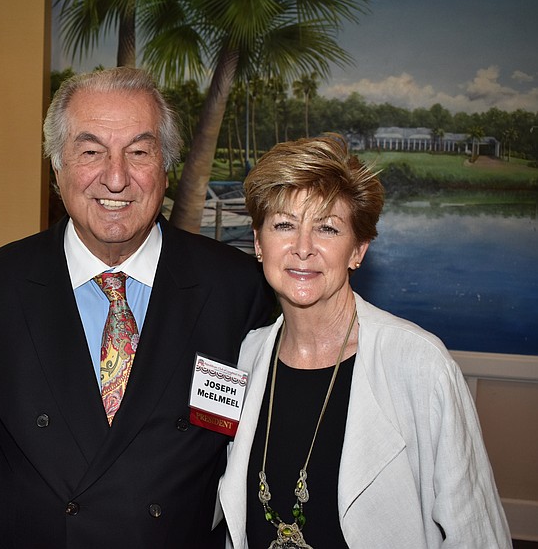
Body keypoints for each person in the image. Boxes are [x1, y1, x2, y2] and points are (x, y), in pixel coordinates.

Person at [0, 67, 275, 548]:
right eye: (90, 152)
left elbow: (251, 451)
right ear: (56, 168)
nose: (117, 177)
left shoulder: (235, 288)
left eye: (139, 152)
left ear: (165, 167)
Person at [218, 134, 511, 548]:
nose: (303, 248)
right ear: (259, 243)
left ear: (358, 249)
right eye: (284, 225)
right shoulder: (246, 355)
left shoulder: (419, 365)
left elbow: (476, 534)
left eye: (327, 228)